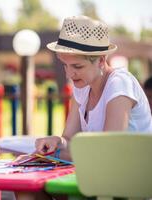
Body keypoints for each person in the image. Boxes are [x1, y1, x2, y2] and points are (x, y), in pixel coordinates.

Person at [34, 15, 152, 161]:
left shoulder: (119, 83)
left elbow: (109, 151)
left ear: (101, 60)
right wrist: (57, 142)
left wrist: (56, 154)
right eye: (65, 65)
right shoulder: (83, 85)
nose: (70, 74)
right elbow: (70, 139)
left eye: (78, 66)